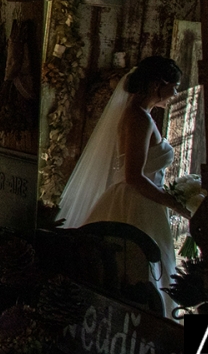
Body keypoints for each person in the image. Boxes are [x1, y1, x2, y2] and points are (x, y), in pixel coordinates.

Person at [56, 55, 190, 304]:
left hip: (138, 199)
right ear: (157, 85)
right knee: (138, 270)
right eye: (174, 87)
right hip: (137, 203)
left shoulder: (140, 114)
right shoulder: (139, 117)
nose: (175, 93)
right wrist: (173, 203)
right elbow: (133, 176)